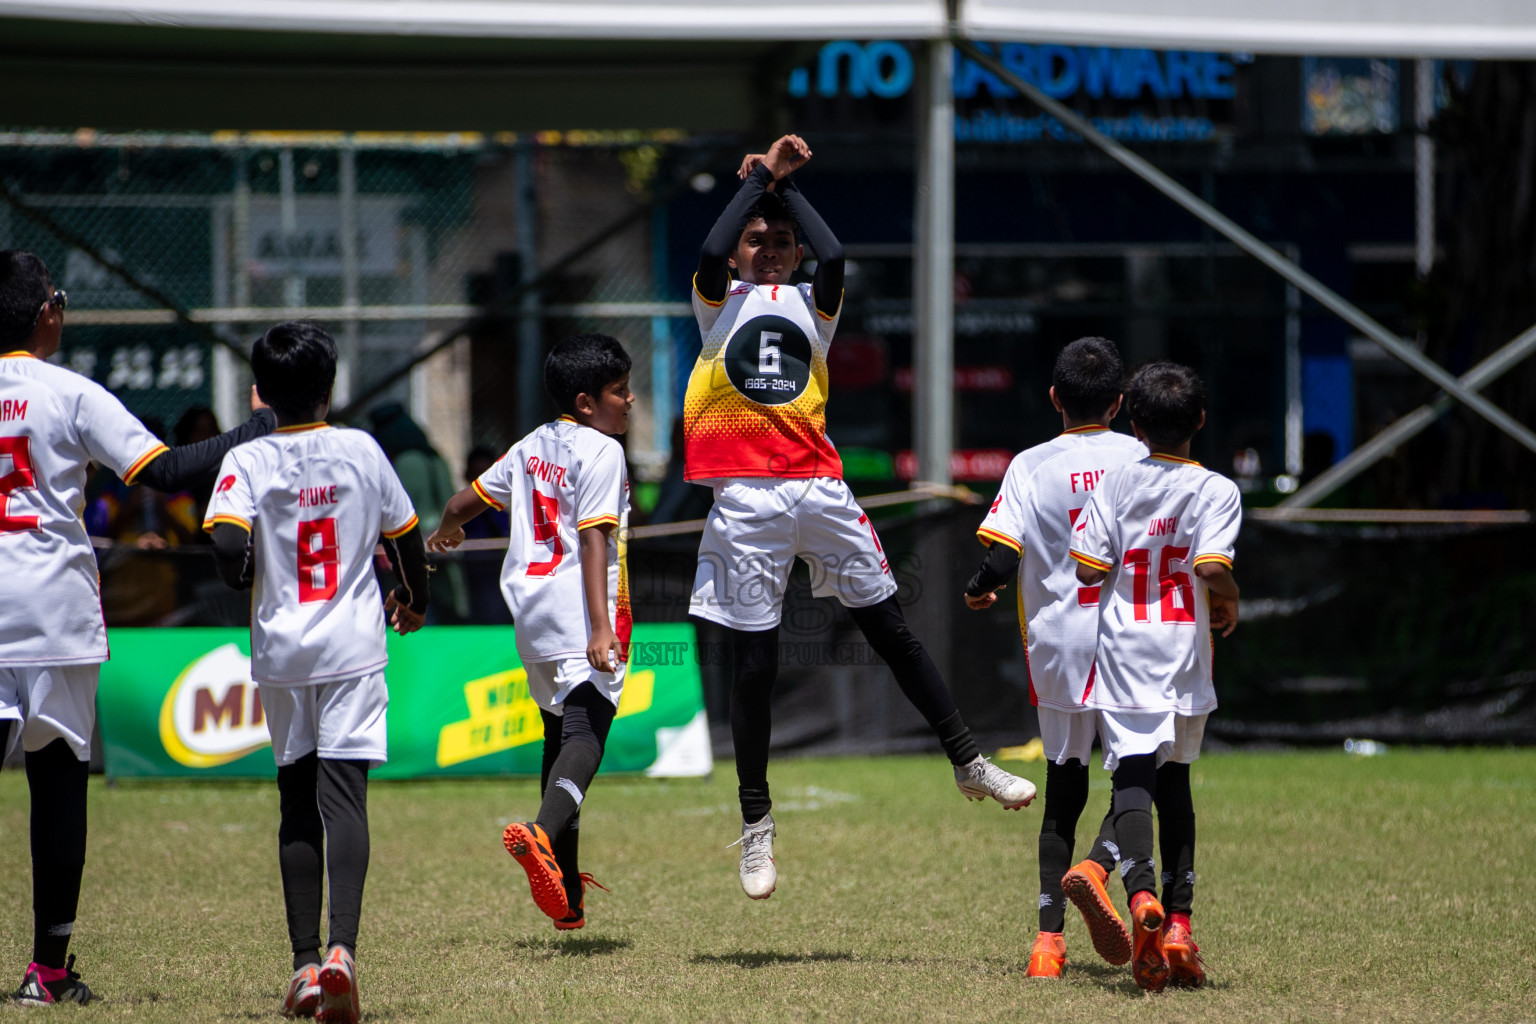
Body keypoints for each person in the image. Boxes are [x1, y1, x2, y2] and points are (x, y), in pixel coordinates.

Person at [685, 136, 1035, 902]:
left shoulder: (816, 306)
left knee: (891, 631)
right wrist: (755, 184)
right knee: (755, 666)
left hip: (819, 487)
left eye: (782, 243)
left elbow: (835, 251)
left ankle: (967, 761)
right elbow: (713, 245)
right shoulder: (718, 304)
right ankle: (755, 826)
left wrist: (781, 187)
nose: (769, 250)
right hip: (745, 500)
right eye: (759, 241)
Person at [0, 249, 277, 1005]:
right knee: (58, 787)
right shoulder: (70, 394)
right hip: (51, 612)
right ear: (47, 313)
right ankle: (47, 974)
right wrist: (259, 426)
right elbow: (169, 471)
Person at [204, 321, 430, 1023]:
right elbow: (407, 534)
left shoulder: (248, 459)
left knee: (295, 801)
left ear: (260, 393)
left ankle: (304, 966)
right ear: (330, 390)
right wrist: (414, 599)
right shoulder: (361, 449)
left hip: (281, 650)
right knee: (345, 801)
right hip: (351, 647)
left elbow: (223, 535)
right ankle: (343, 953)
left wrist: (239, 564)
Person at [428, 333, 633, 931]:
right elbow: (594, 539)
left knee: (558, 738)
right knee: (587, 735)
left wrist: (446, 528)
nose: (631, 400)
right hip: (580, 612)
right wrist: (600, 627)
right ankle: (542, 835)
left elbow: (467, 499)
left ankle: (567, 895)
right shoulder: (603, 450)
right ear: (587, 402)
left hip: (531, 616)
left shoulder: (533, 443)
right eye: (620, 391)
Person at [963, 337, 1147, 978]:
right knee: (1137, 779)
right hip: (1133, 639)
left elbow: (1003, 555)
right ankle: (1099, 866)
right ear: (1121, 403)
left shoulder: (1032, 464)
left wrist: (979, 587)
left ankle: (1047, 945)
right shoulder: (1142, 457)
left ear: (1053, 399)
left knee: (1065, 784)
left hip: (1057, 643)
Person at [1068, 361, 1241, 991]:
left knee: (1133, 775)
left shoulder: (1114, 483)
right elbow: (1212, 568)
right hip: (1183, 649)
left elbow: (1088, 572)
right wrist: (1230, 596)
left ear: (1134, 424)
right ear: (1199, 420)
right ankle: (1180, 926)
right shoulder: (1217, 490)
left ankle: (1141, 895)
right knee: (1179, 782)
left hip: (1124, 648)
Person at [370, 401, 468, 621]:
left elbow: (395, 513)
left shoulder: (406, 463)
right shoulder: (437, 459)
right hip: (443, 548)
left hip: (410, 551)